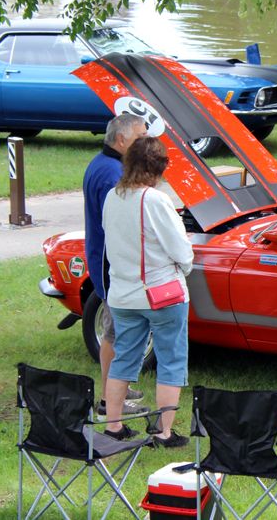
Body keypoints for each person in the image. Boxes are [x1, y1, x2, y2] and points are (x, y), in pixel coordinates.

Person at [102, 137, 193, 448]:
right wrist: (186, 265)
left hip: (122, 294)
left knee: (123, 358)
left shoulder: (113, 197)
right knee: (171, 359)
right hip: (161, 293)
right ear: (160, 168)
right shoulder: (156, 201)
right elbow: (181, 250)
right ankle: (164, 432)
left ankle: (113, 425)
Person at [83, 114, 150, 417]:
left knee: (119, 331)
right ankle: (110, 399)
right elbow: (117, 224)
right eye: (140, 138)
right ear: (121, 140)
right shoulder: (111, 174)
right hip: (110, 266)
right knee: (114, 333)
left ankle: (115, 389)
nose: (146, 145)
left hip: (107, 262)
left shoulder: (105, 164)